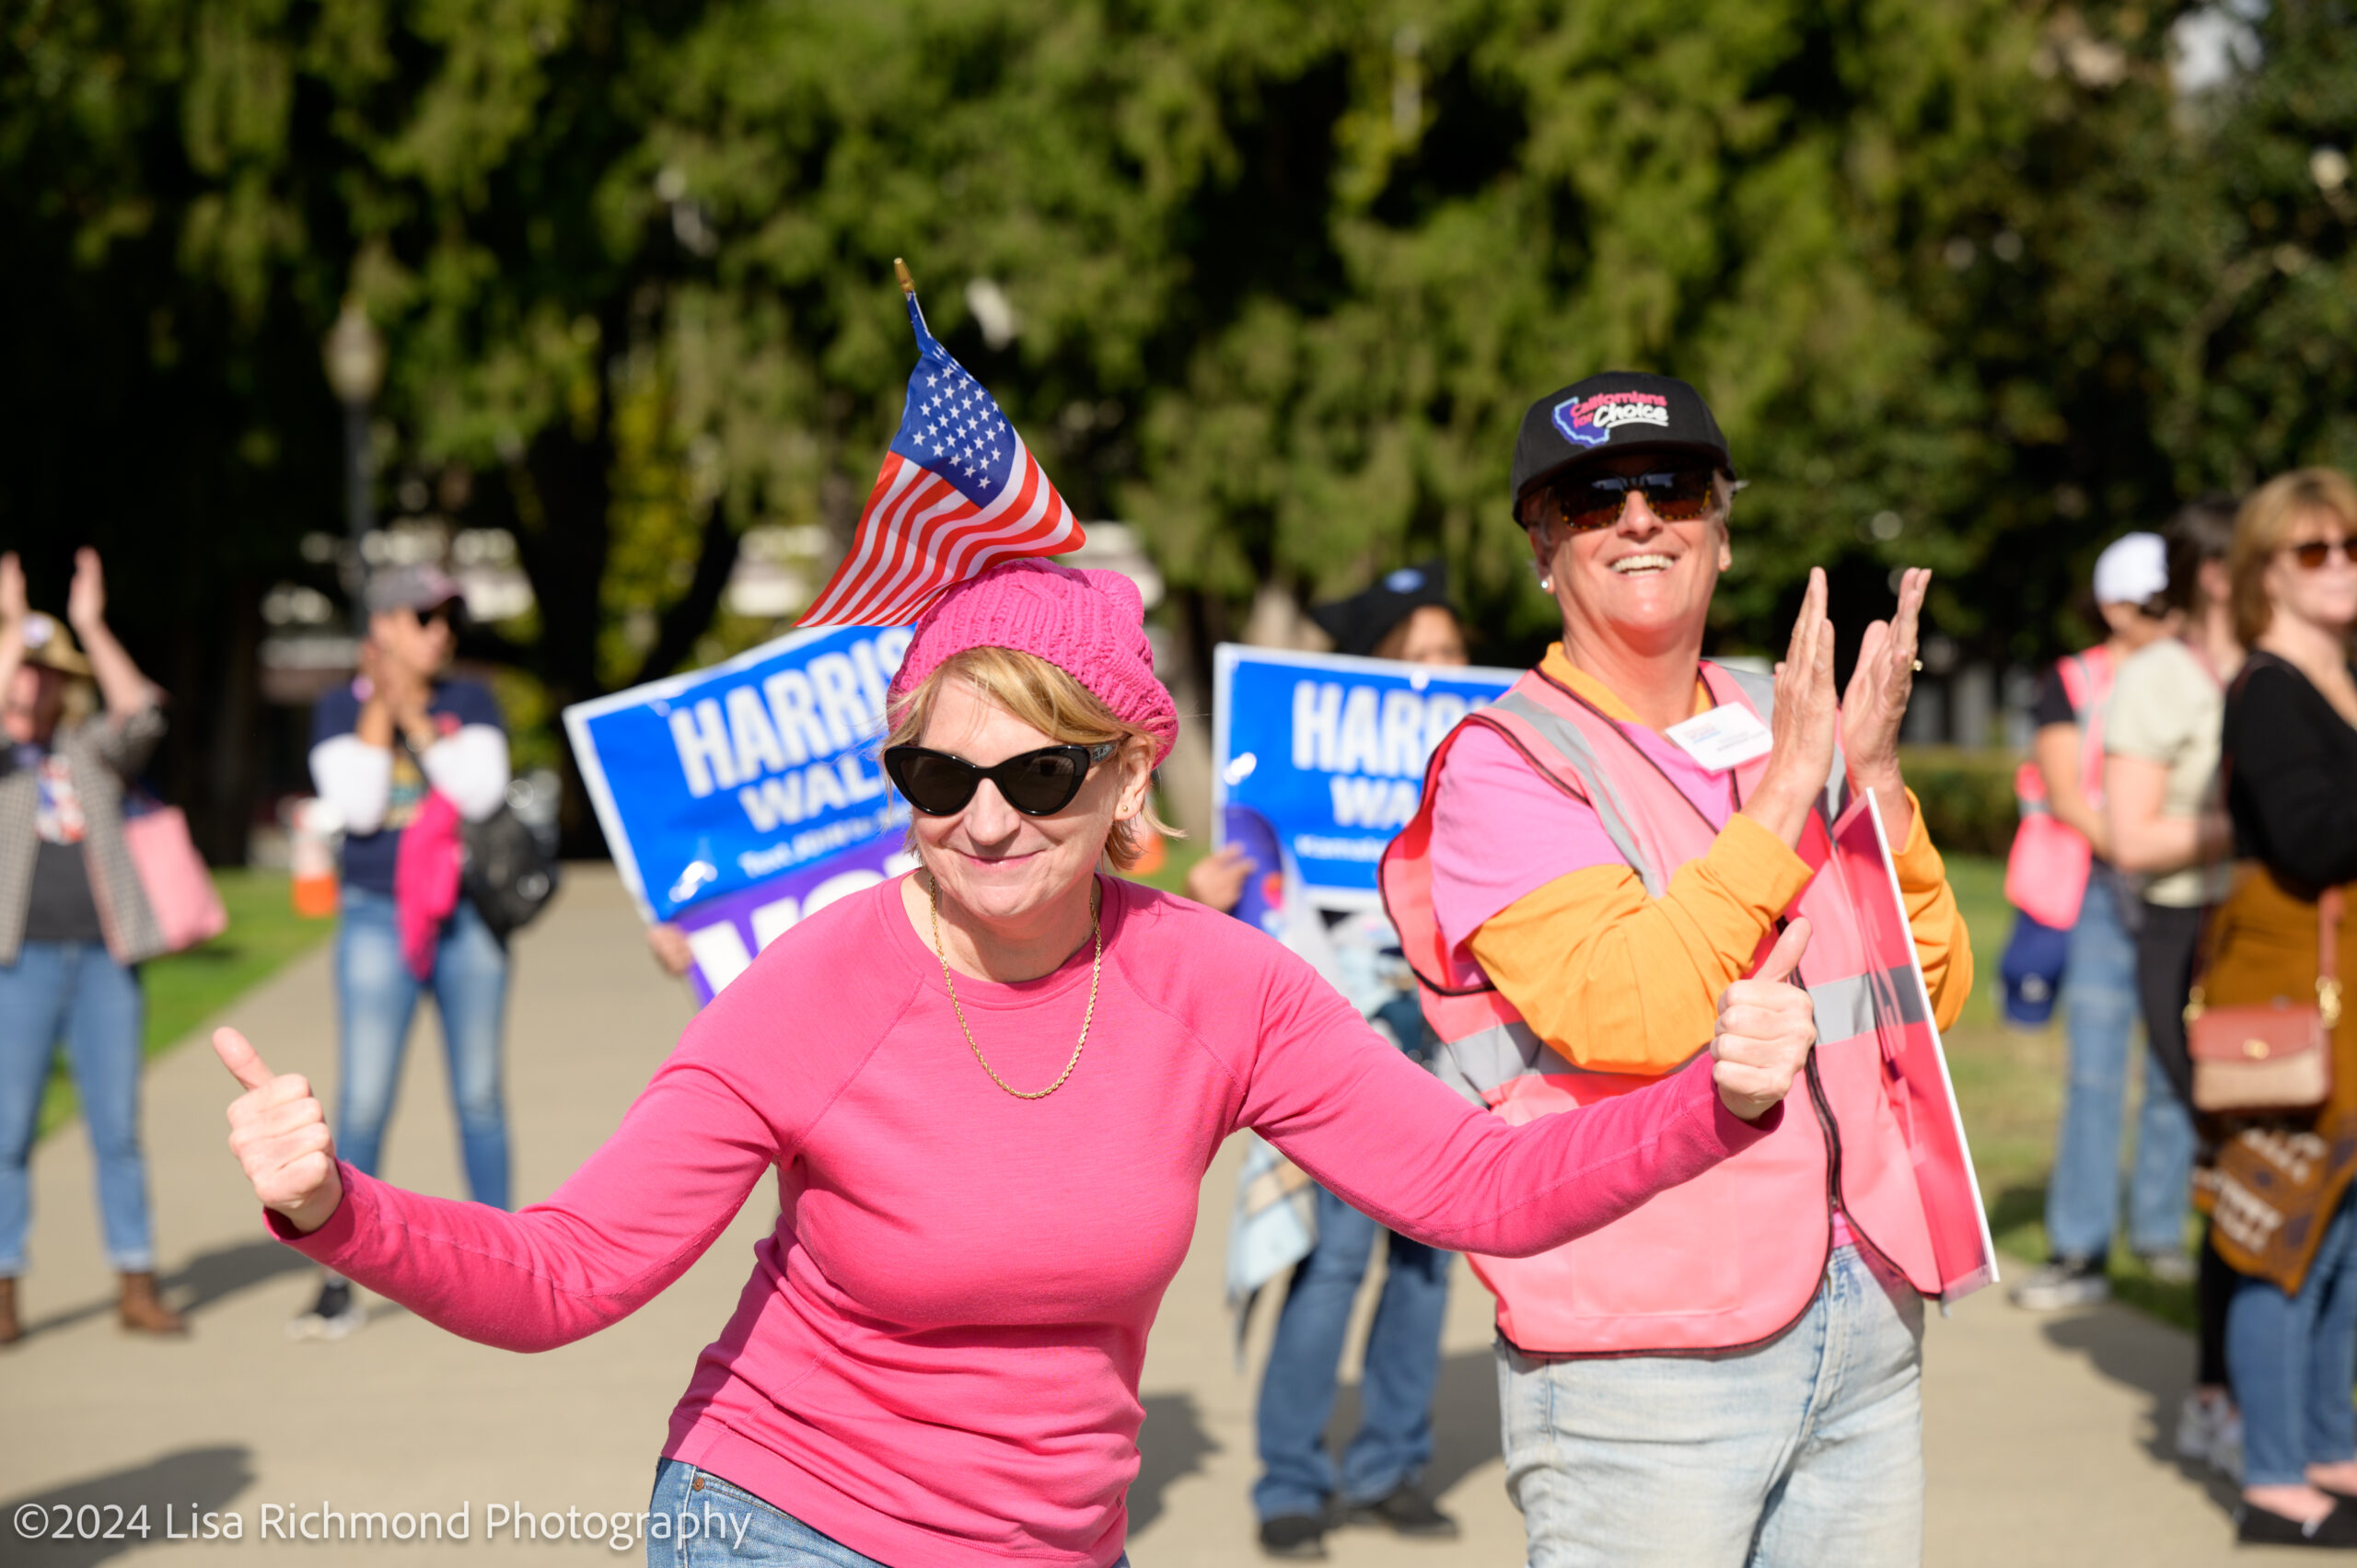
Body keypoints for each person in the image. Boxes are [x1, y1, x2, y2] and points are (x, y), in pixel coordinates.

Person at [214, 557, 1824, 1568]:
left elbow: (1473, 1178)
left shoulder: (1215, 982)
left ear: (1128, 775)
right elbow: (571, 1268)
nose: (984, 817)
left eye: (1040, 771)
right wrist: (335, 1208)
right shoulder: (814, 987)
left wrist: (1716, 1101)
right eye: (936, 770)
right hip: (784, 1521)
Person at [1380, 372, 1975, 1567]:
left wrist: (1878, 787)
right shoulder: (1506, 759)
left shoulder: (1785, 711)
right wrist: (1787, 792)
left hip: (1863, 1310)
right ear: (1544, 546)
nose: (1641, 515)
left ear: (1723, 523)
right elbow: (1636, 1003)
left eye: (1676, 486)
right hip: (1644, 1357)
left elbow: (1934, 991)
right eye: (1596, 495)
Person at [1192, 562, 1472, 1556]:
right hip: (1340, 1027)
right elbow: (1260, 911)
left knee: (1427, 1258)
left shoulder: (1484, 766)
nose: (1445, 669)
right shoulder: (1306, 788)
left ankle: (1392, 1462)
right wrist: (1221, 893)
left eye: (1453, 652)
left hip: (1447, 1029)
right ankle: (1291, 1480)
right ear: (1378, 672)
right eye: (1424, 655)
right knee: (1333, 1255)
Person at [2194, 468, 2357, 1547]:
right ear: (2262, 573)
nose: (2340, 564)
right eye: (2313, 551)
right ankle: (2267, 1472)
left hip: (2341, 992)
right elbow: (2308, 840)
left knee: (2346, 1232)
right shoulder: (2265, 688)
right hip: (2287, 997)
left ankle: (2329, 1444)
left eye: (2350, 545)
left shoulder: (2341, 680)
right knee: (2279, 1224)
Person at [295, 563, 513, 1339]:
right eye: (425, 619)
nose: (442, 633)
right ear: (382, 627)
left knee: (480, 1097)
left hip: (467, 920)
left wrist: (417, 717)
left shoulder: (470, 701)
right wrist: (381, 710)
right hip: (375, 916)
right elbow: (353, 807)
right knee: (361, 1101)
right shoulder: (334, 709)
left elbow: (482, 795)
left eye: (448, 618)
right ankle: (340, 1281)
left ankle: (506, 1274)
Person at [0, 549, 185, 1342]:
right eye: (23, 670)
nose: (34, 682)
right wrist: (12, 630)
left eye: (47, 671)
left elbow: (142, 709)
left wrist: (89, 626)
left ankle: (136, 1281)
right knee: (7, 1132)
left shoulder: (88, 749)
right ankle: (4, 1290)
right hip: (20, 965)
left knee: (117, 1127)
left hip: (107, 959)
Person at [2100, 498, 2244, 1475]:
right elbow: (2132, 837)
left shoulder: (2304, 667)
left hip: (2294, 937)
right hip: (2190, 937)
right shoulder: (2156, 678)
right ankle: (2216, 1394)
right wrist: (2266, 821)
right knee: (2241, 1164)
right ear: (2222, 575)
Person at [2010, 531, 2190, 1310]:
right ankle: (2078, 1248)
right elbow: (2065, 790)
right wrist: (2130, 845)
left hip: (2181, 889)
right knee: (2094, 1073)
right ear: (2115, 606)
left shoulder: (2193, 674)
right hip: (2099, 893)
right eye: (2152, 605)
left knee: (2174, 1071)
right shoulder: (2075, 679)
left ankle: (2159, 1235)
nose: (2166, 619)